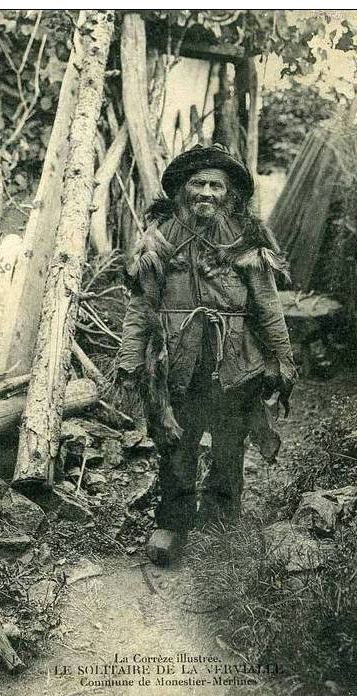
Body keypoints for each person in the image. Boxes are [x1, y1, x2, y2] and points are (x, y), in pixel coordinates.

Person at [117, 144, 296, 565]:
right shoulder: (159, 236)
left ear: (229, 193)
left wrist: (283, 358)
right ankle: (172, 524)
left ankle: (219, 526)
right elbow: (141, 305)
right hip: (178, 359)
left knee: (229, 445)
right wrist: (130, 359)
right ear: (183, 188)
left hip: (235, 360)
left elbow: (268, 305)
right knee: (176, 440)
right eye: (198, 183)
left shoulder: (248, 238)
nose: (206, 192)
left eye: (216, 185)